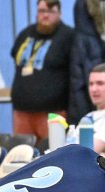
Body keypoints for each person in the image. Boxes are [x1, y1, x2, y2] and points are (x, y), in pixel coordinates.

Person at [10, 0, 74, 143]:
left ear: (60, 14)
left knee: (51, 155)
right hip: (21, 111)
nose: (45, 15)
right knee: (22, 155)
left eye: (51, 11)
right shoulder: (25, 33)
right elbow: (15, 58)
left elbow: (75, 74)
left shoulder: (68, 36)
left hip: (53, 112)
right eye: (42, 11)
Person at [67, 0, 105, 125]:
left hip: (80, 105)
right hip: (88, 108)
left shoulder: (81, 39)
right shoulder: (90, 42)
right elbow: (90, 78)